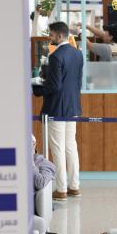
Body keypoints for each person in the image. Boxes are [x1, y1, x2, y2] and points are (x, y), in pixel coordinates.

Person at [34, 21, 83, 199]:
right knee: (71, 146)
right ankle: (74, 186)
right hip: (73, 106)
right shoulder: (78, 54)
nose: (50, 38)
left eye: (52, 35)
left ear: (60, 36)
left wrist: (36, 89)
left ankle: (61, 189)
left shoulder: (56, 56)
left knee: (58, 148)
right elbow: (76, 83)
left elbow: (54, 86)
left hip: (57, 108)